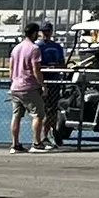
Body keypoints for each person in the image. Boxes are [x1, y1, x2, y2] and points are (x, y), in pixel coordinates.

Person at [8, 17, 45, 152]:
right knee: (38, 114)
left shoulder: (16, 48)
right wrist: (42, 84)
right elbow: (36, 69)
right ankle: (36, 143)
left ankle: (15, 144)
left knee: (16, 116)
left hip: (15, 86)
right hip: (29, 87)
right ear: (34, 33)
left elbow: (11, 69)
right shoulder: (34, 48)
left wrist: (13, 81)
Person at [36, 19, 69, 148]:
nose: (46, 33)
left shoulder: (57, 47)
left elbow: (62, 63)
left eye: (48, 31)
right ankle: (43, 136)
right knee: (42, 111)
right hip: (42, 82)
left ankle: (51, 132)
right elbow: (36, 65)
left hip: (54, 82)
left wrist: (57, 67)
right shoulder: (37, 46)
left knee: (52, 110)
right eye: (44, 31)